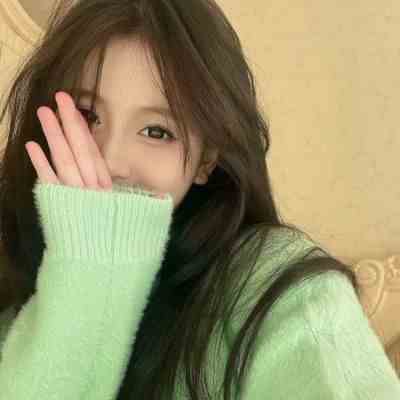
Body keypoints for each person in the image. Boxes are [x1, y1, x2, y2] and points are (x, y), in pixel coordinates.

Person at [0, 1, 399, 399]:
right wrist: (86, 272)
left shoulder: (281, 290)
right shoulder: (12, 277)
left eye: (157, 132)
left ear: (206, 160)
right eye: (87, 116)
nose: (111, 160)